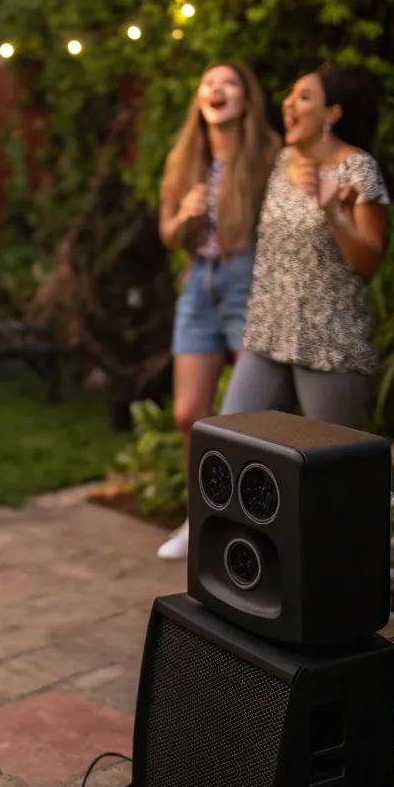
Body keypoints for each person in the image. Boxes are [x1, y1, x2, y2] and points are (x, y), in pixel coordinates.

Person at [221, 64, 389, 426]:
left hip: (329, 342)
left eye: (304, 97)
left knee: (333, 469)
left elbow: (370, 260)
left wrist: (333, 212)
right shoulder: (284, 160)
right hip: (268, 333)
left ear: (332, 113)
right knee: (230, 441)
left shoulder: (359, 168)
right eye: (290, 95)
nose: (289, 104)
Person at [157, 62, 279, 560]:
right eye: (207, 82)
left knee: (248, 420)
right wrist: (183, 218)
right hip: (198, 285)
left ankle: (252, 527)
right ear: (199, 99)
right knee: (189, 413)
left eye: (228, 83)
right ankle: (199, 520)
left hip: (247, 282)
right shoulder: (186, 159)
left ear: (246, 100)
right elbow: (165, 232)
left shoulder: (268, 156)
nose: (216, 89)